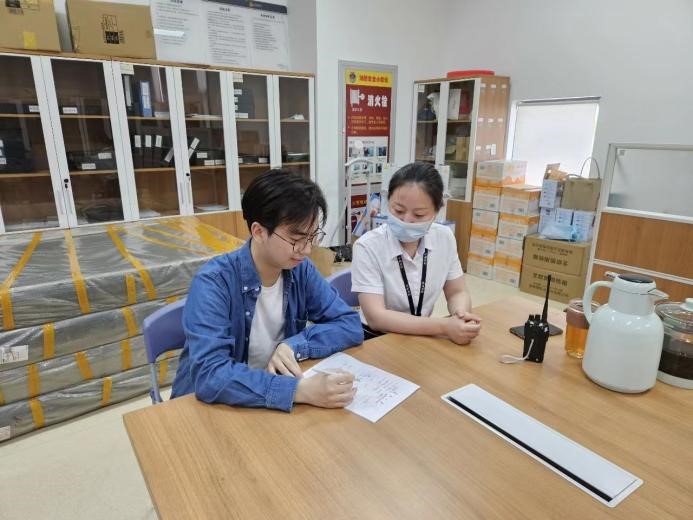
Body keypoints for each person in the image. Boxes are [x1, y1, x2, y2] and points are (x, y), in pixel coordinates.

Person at [172, 169, 363, 411]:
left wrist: (294, 345)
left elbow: (349, 324)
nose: (306, 250)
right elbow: (211, 375)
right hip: (214, 406)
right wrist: (298, 390)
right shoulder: (214, 282)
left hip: (268, 398)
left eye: (312, 237)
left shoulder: (300, 270)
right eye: (296, 239)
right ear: (259, 232)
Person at [351, 162, 481, 344]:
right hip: (377, 338)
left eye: (419, 214)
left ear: (436, 211)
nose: (406, 220)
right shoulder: (367, 246)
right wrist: (445, 326)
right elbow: (376, 317)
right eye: (398, 210)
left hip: (423, 334)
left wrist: (461, 315)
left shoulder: (444, 237)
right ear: (387, 202)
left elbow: (457, 292)